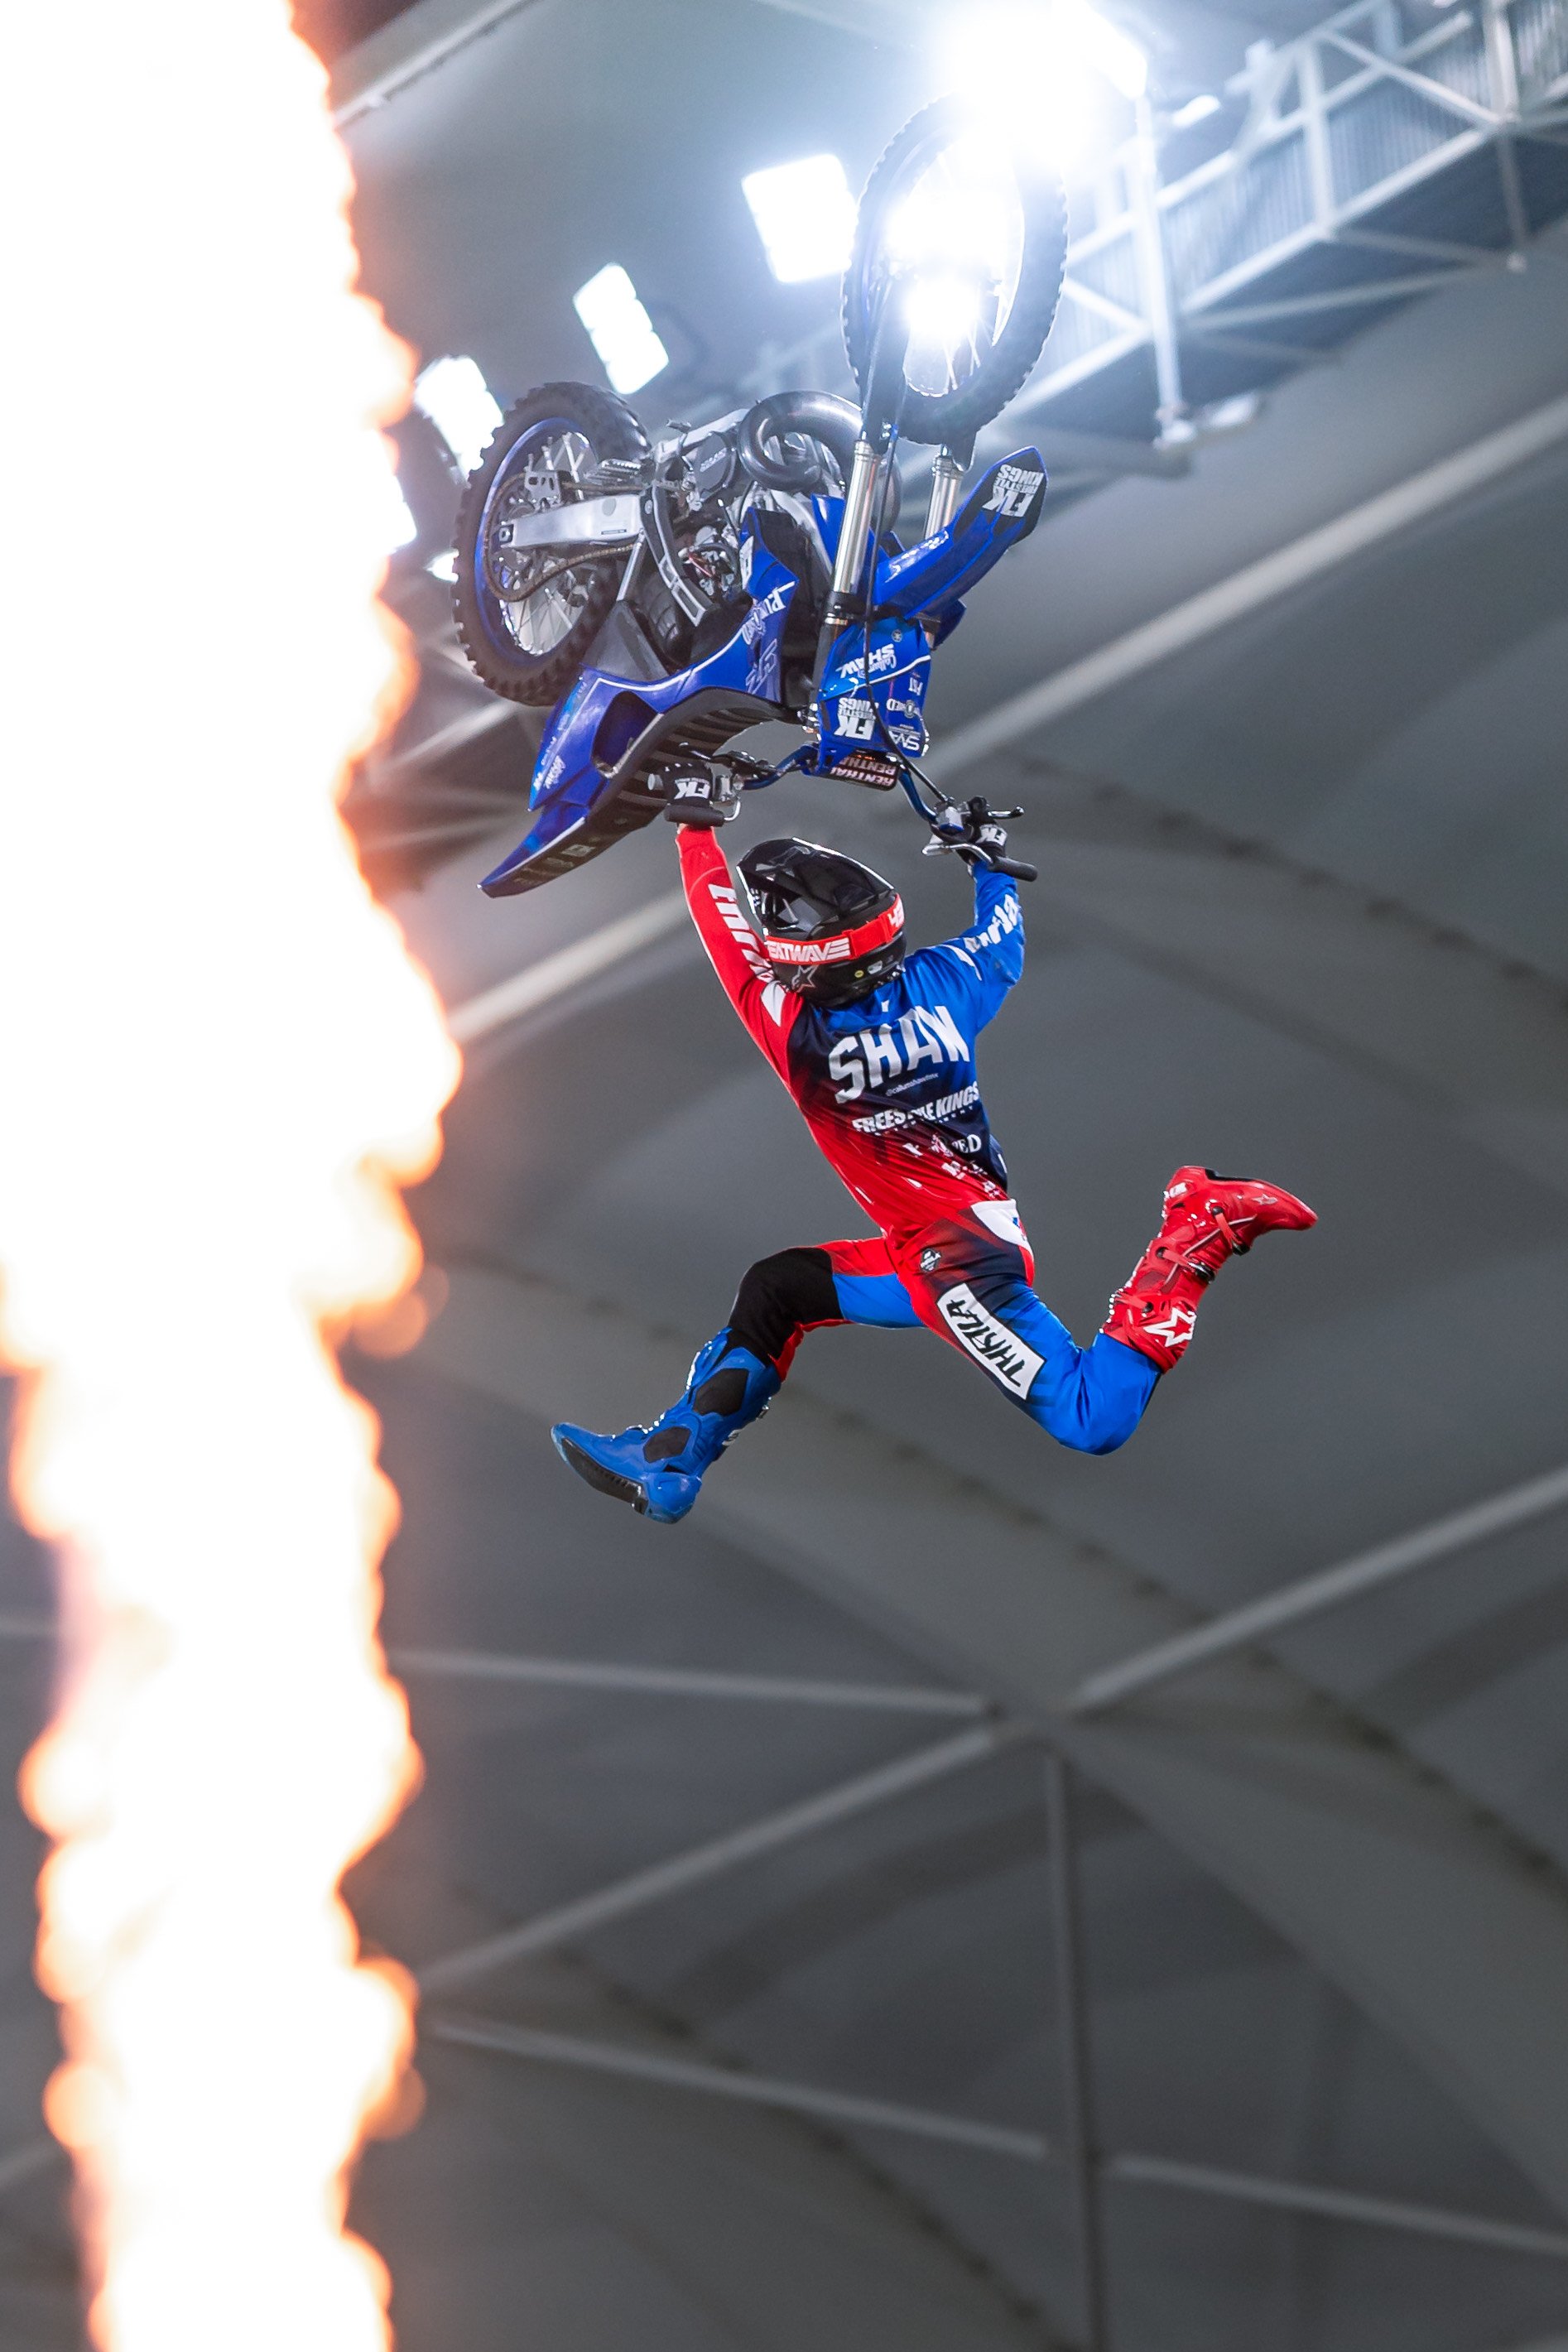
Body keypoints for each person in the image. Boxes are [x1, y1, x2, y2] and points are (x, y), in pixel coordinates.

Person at [553, 815, 1315, 1522]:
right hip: (949, 1244)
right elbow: (1003, 940)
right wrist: (988, 863)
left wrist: (695, 828)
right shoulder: (943, 986)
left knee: (1093, 1419)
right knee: (779, 1287)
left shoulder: (797, 1035)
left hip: (950, 1267)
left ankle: (1200, 1231)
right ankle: (671, 1459)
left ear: (811, 960)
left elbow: (726, 934)